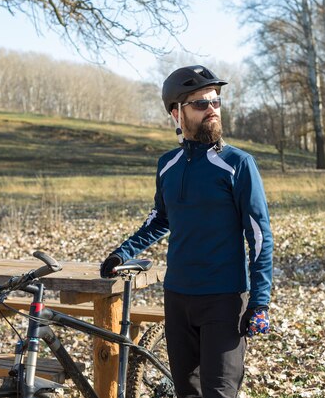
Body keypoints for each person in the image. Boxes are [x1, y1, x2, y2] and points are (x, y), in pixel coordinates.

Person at [100, 65, 273, 398]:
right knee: (186, 392)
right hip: (177, 298)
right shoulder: (167, 164)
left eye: (215, 101)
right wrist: (123, 252)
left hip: (224, 299)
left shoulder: (238, 164)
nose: (212, 109)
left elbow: (260, 237)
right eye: (200, 103)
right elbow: (160, 219)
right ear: (176, 113)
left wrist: (260, 302)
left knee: (219, 392)